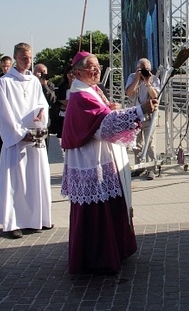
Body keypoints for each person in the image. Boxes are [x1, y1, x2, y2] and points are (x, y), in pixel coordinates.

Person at [61, 51, 158, 274]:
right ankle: (98, 259)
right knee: (97, 210)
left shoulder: (91, 90)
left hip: (101, 155)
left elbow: (102, 116)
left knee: (108, 204)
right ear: (77, 73)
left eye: (98, 67)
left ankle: (116, 250)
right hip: (91, 160)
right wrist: (139, 110)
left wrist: (112, 110)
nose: (96, 71)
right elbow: (103, 126)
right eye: (91, 67)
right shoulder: (81, 95)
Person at [0, 43, 52, 239]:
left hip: (34, 138)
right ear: (15, 57)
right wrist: (19, 132)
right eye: (23, 58)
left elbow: (42, 104)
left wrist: (40, 117)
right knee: (15, 183)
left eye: (29, 58)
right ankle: (13, 223)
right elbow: (1, 111)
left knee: (35, 179)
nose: (27, 62)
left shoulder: (34, 81)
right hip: (17, 140)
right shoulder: (5, 82)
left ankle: (36, 219)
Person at [125, 58, 161, 180]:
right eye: (142, 69)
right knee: (137, 144)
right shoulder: (132, 77)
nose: (145, 72)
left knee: (150, 143)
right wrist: (137, 78)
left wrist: (147, 82)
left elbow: (155, 96)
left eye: (147, 70)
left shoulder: (154, 79)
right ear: (137, 69)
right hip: (136, 115)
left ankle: (151, 169)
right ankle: (140, 166)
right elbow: (129, 93)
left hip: (150, 116)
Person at [33, 63, 58, 149]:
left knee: (44, 147)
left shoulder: (49, 84)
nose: (42, 75)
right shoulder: (30, 83)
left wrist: (44, 86)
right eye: (40, 72)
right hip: (32, 119)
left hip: (45, 121)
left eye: (44, 72)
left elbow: (53, 100)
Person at [54, 65, 74, 141]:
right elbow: (58, 100)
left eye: (72, 72)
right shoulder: (62, 86)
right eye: (69, 72)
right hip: (63, 115)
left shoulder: (79, 86)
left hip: (74, 115)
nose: (71, 74)